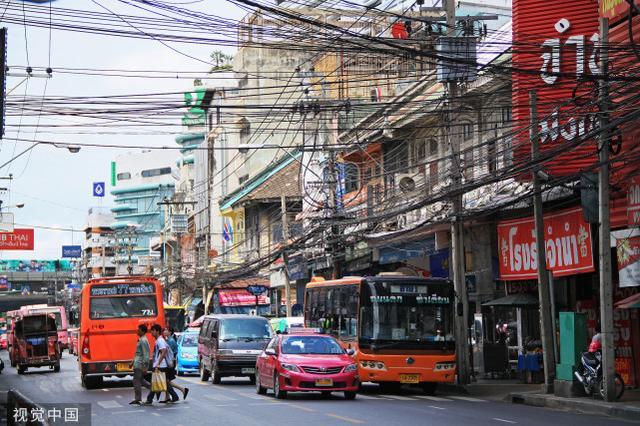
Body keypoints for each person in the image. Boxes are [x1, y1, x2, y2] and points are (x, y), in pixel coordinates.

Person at [144, 324, 179, 405]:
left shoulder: (160, 341)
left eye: (153, 331)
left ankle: (149, 399)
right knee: (164, 382)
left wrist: (158, 364)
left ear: (157, 331)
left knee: (155, 382)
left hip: (161, 366)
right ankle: (174, 396)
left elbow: (164, 351)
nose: (152, 332)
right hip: (160, 365)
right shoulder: (159, 340)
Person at [162, 327, 189, 401]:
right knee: (167, 380)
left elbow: (168, 353)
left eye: (166, 330)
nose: (164, 331)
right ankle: (167, 397)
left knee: (167, 381)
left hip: (170, 362)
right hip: (170, 362)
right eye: (164, 330)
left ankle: (182, 389)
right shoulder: (168, 340)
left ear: (170, 332)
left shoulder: (170, 341)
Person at [130, 324, 150, 405]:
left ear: (143, 331)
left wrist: (145, 366)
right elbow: (138, 353)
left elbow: (146, 354)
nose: (137, 331)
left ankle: (138, 398)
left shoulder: (143, 340)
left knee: (136, 381)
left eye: (139, 329)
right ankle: (154, 389)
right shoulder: (141, 339)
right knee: (140, 380)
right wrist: (132, 362)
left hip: (140, 364)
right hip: (137, 363)